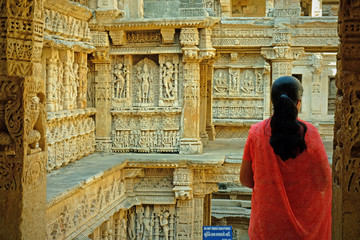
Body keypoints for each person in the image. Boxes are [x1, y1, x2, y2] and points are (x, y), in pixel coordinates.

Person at [240, 76, 331, 240]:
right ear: (299, 102)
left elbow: (245, 179)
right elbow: (324, 180)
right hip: (306, 228)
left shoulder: (256, 133)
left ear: (272, 102)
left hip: (267, 226)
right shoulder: (311, 134)